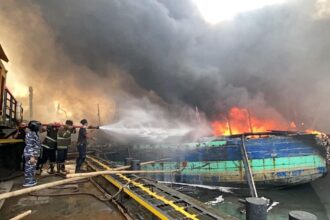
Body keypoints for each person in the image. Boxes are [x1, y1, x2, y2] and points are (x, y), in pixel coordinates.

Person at [23, 120, 41, 187]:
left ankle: (31, 180)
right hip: (31, 154)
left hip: (33, 154)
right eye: (38, 126)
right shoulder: (31, 134)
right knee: (29, 168)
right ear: (34, 127)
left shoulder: (33, 133)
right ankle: (28, 182)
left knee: (32, 168)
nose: (39, 128)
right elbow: (29, 145)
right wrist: (32, 156)